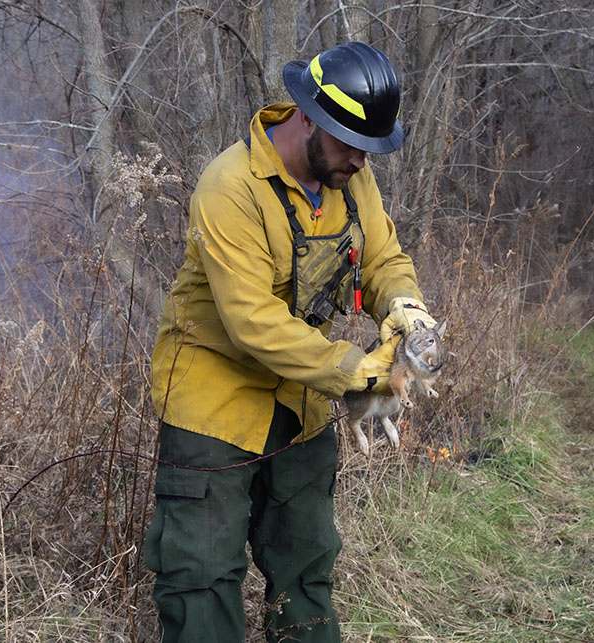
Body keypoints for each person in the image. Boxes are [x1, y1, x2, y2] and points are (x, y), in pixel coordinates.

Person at [143, 42, 438, 642]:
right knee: (200, 576)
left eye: (368, 148)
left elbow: (382, 258)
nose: (359, 160)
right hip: (212, 402)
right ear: (308, 117)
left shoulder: (350, 176)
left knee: (306, 566)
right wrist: (362, 372)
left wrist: (405, 309)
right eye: (349, 144)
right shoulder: (230, 188)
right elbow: (253, 322)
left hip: (299, 401)